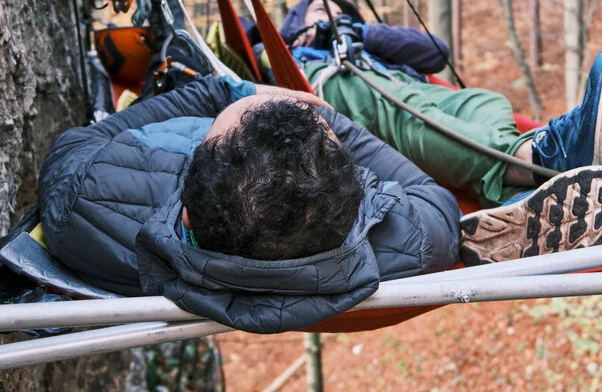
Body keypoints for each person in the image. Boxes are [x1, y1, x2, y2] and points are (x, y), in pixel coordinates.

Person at [241, 0, 602, 264]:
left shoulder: (369, 45)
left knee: (483, 101)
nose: (331, 15)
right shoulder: (279, 52)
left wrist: (361, 31)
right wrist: (294, 39)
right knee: (403, 109)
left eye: (339, 11)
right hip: (334, 93)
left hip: (407, 87)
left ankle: (519, 199)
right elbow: (235, 45)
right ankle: (547, 157)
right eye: (319, 9)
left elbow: (434, 52)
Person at [37, 76, 461, 334]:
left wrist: (226, 91)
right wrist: (323, 129)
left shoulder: (83, 199)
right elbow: (438, 199)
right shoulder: (409, 242)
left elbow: (75, 144)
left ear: (185, 210)